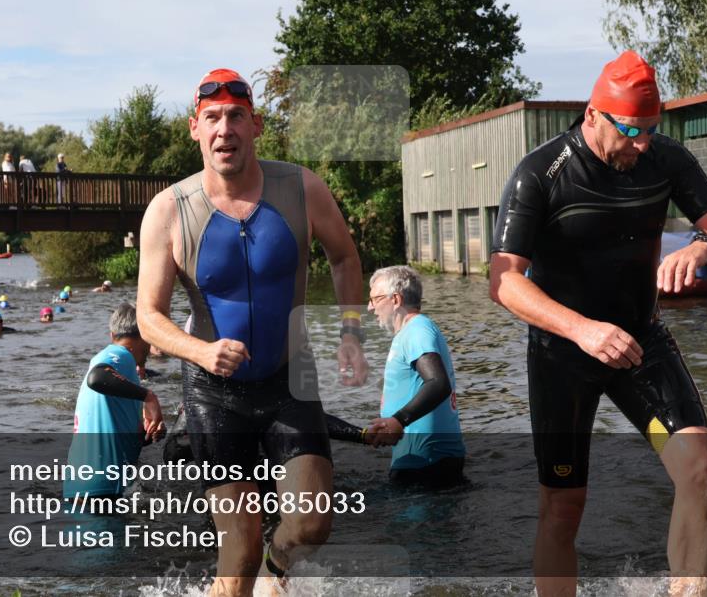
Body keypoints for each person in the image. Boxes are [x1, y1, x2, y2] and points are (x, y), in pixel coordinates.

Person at [489, 50, 707, 597]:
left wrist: (705, 248)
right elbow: (504, 281)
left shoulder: (666, 160)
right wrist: (582, 329)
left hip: (640, 345)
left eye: (651, 131)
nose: (641, 144)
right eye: (631, 131)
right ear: (594, 116)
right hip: (564, 354)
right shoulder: (541, 173)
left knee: (701, 469)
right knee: (563, 507)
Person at [136, 68, 369, 596]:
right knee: (237, 549)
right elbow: (149, 317)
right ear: (194, 128)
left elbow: (344, 255)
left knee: (311, 524)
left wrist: (350, 330)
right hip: (213, 392)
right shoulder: (169, 210)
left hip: (290, 380)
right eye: (213, 118)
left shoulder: (301, 187)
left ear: (255, 125)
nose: (225, 130)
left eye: (236, 117)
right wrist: (200, 350)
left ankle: (276, 574)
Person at [364, 266, 465, 487]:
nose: (370, 308)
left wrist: (398, 420)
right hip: (424, 460)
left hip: (426, 464)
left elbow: (438, 383)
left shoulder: (417, 330)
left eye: (375, 299)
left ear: (396, 300)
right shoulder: (411, 332)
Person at [62, 302, 165, 500]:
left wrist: (149, 432)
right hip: (101, 490)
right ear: (145, 334)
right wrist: (149, 397)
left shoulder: (120, 371)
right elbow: (97, 377)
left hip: (86, 488)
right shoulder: (121, 355)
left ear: (112, 334)